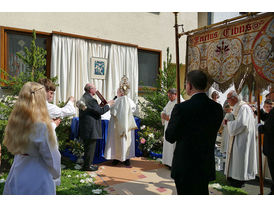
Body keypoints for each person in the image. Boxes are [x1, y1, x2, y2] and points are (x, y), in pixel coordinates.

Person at [165, 70, 223, 195]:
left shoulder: (181, 108)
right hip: (205, 163)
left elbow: (170, 136)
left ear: (190, 85)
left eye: (186, 83)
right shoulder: (217, 108)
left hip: (185, 164)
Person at [2, 82, 61, 195]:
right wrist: (56, 174)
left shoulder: (15, 121)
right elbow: (51, 156)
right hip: (37, 174)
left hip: (18, 169)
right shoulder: (40, 125)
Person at [225, 90, 257, 188]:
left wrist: (229, 124)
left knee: (240, 158)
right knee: (236, 158)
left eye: (228, 99)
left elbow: (242, 123)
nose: (227, 101)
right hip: (237, 136)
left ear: (234, 98)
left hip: (242, 138)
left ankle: (239, 180)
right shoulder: (237, 106)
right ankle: (233, 177)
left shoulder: (244, 108)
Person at [79, 83, 114, 171]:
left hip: (86, 126)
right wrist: (109, 105)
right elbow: (100, 112)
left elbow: (92, 110)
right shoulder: (91, 100)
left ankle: (86, 164)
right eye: (95, 88)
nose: (96, 90)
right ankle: (88, 166)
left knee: (88, 147)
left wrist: (101, 106)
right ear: (90, 90)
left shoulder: (84, 97)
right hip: (91, 127)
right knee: (90, 147)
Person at [104, 76, 137, 166]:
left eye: (118, 91)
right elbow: (133, 109)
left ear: (121, 92)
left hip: (117, 124)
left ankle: (118, 158)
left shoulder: (117, 101)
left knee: (118, 141)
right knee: (123, 140)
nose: (117, 92)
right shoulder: (129, 101)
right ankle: (125, 158)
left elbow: (112, 111)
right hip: (124, 124)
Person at [161, 88, 184, 168]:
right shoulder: (170, 101)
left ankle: (173, 164)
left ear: (175, 94)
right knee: (167, 145)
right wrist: (163, 114)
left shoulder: (180, 102)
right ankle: (167, 162)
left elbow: (179, 116)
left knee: (173, 146)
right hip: (168, 126)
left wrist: (169, 117)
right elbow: (164, 110)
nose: (169, 97)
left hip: (174, 128)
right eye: (168, 96)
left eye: (170, 95)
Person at [259, 89, 274, 195]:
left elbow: (270, 127)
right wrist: (259, 111)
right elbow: (268, 118)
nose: (269, 94)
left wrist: (261, 128)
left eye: (271, 92)